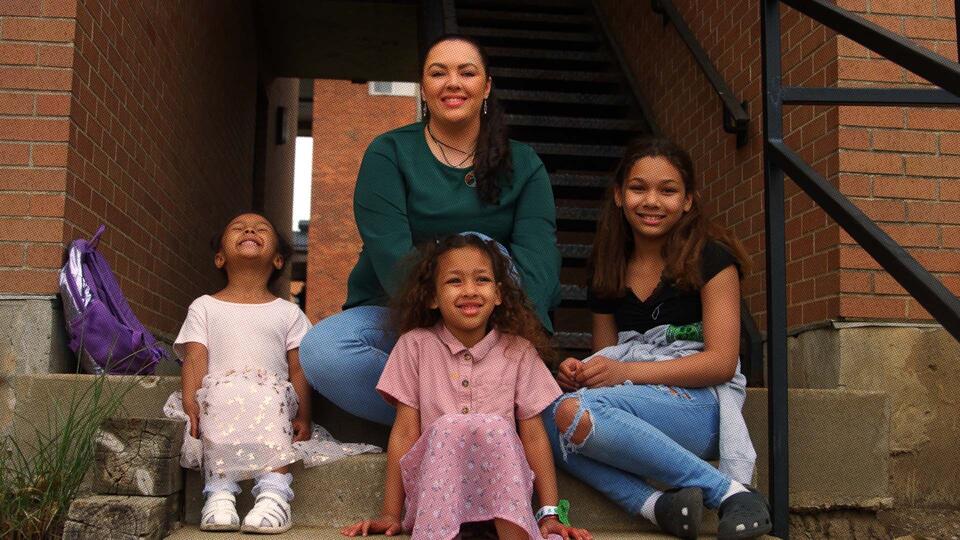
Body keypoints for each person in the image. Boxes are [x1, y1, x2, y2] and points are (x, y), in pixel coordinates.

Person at [299, 33, 561, 426]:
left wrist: (517, 333)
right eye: (438, 73)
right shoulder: (389, 152)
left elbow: (539, 258)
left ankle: (469, 414)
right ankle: (464, 419)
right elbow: (390, 253)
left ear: (486, 86)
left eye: (467, 73)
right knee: (324, 350)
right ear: (423, 87)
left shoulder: (523, 163)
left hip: (490, 318)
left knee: (480, 250)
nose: (453, 83)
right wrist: (439, 325)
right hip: (402, 313)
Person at [543, 138, 771, 540]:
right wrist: (583, 373)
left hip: (701, 407)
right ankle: (658, 507)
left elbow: (721, 362)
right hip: (636, 406)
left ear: (688, 200)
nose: (651, 201)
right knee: (545, 416)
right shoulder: (608, 266)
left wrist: (623, 372)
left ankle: (728, 493)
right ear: (619, 195)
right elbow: (606, 360)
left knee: (574, 411)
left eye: (667, 190)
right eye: (638, 188)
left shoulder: (712, 259)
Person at [340, 234, 589, 540]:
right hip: (436, 493)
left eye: (482, 279)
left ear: (498, 294)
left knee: (496, 427)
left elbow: (534, 436)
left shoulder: (519, 351)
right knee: (449, 426)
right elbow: (405, 432)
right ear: (432, 297)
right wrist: (391, 513)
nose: (470, 291)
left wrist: (549, 513)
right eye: (454, 281)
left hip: (503, 493)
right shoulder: (414, 346)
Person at [163, 213, 378, 534]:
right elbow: (195, 357)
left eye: (261, 228)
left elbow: (298, 367)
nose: (249, 229)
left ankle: (274, 494)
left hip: (272, 400)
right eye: (238, 228)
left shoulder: (289, 313)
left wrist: (304, 414)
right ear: (220, 258)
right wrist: (191, 402)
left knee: (270, 394)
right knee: (218, 395)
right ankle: (219, 493)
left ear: (278, 260)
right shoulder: (204, 306)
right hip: (218, 399)